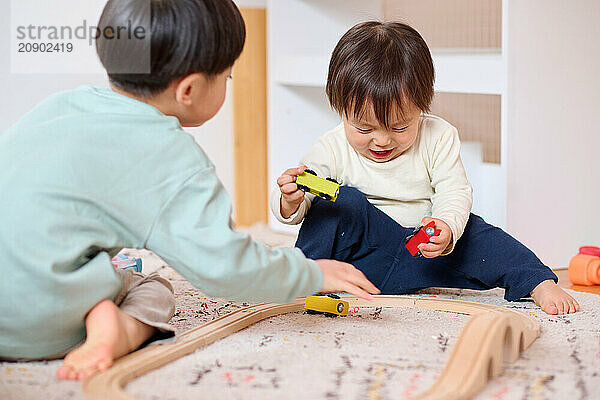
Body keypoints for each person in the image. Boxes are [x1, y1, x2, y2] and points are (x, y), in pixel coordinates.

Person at [0, 0, 379, 380]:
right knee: (153, 288)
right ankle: (117, 331)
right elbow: (224, 268)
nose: (228, 85)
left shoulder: (59, 106)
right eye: (227, 77)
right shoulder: (171, 158)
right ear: (189, 89)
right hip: (38, 323)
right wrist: (310, 272)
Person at [271, 21, 579, 316]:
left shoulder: (439, 136)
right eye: (364, 129)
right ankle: (305, 276)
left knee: (478, 233)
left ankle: (536, 281)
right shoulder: (331, 146)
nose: (381, 140)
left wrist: (446, 227)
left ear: (423, 105)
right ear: (341, 110)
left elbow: (454, 191)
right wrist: (290, 199)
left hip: (423, 250)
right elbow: (301, 204)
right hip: (358, 260)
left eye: (400, 126)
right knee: (338, 203)